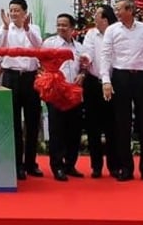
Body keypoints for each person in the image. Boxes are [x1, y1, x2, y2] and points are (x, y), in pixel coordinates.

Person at [99, 0, 143, 183]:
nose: (116, 13)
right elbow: (105, 56)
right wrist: (106, 81)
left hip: (142, 77)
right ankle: (125, 168)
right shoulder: (112, 30)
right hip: (120, 77)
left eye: (119, 9)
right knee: (122, 124)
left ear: (129, 10)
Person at [0, 0, 44, 181]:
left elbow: (39, 45)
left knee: (32, 122)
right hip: (11, 76)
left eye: (17, 10)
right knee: (14, 122)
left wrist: (26, 28)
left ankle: (31, 163)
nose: (14, 13)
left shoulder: (34, 28)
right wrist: (6, 27)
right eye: (11, 10)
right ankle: (16, 165)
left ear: (25, 12)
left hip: (30, 78)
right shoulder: (4, 29)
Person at [41, 13, 85, 181]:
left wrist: (83, 74)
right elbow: (41, 64)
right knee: (57, 131)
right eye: (58, 25)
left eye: (64, 25)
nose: (61, 28)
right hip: (57, 94)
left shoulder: (79, 47)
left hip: (74, 93)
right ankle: (57, 166)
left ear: (72, 28)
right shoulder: (49, 44)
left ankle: (70, 164)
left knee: (74, 131)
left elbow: (85, 66)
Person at [79, 4, 119, 178]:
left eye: (96, 15)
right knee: (93, 126)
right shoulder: (90, 34)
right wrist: (85, 59)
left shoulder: (117, 32)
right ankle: (96, 166)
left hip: (112, 83)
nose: (93, 17)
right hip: (94, 84)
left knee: (112, 127)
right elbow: (87, 51)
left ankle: (114, 166)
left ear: (105, 18)